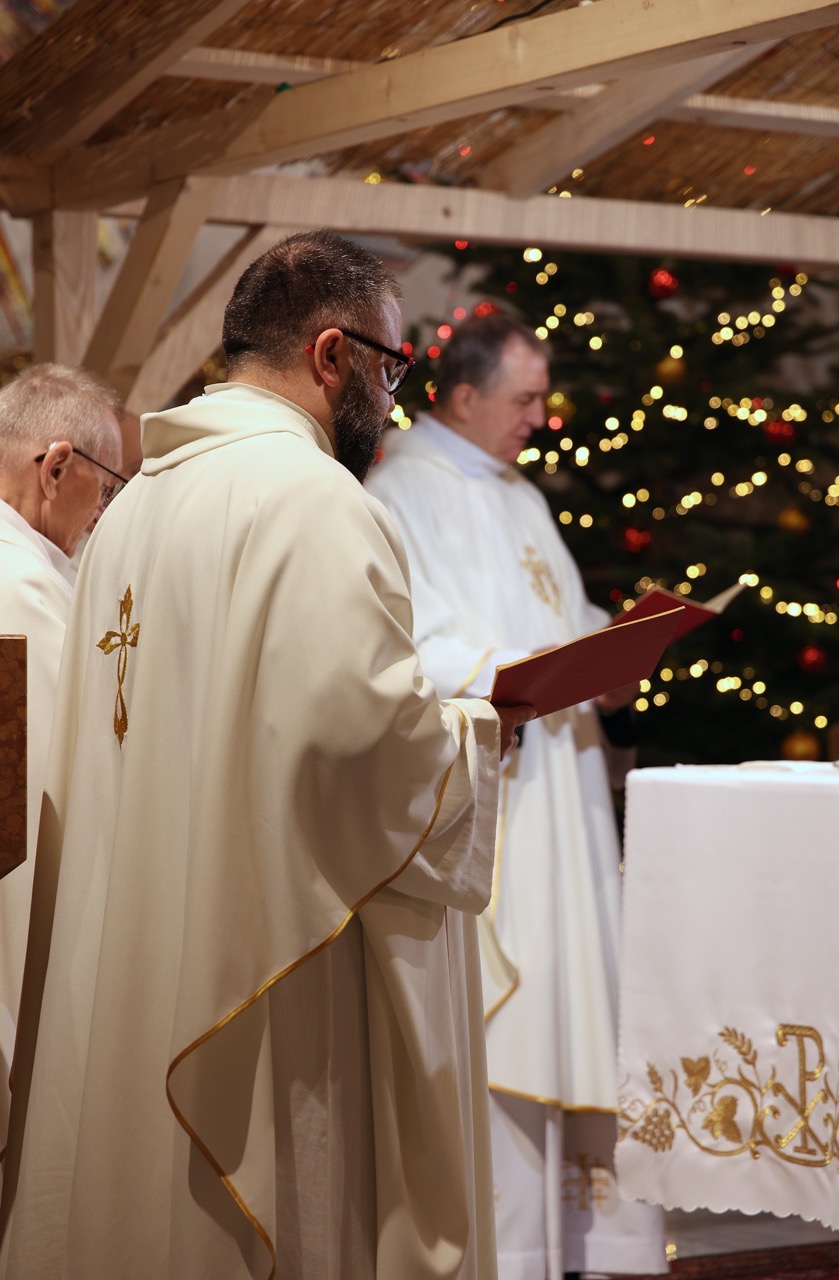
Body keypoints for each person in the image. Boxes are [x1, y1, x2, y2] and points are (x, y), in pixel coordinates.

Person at [0, 232, 534, 1280]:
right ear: (331, 354)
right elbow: (360, 744)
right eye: (390, 366)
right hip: (263, 967)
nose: (392, 399)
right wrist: (479, 732)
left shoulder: (134, 505)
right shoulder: (313, 500)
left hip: (144, 951)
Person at [366, 314, 667, 1279]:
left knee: (574, 1000)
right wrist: (522, 668)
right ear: (461, 397)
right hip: (501, 791)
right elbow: (406, 647)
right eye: (523, 399)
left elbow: (562, 616)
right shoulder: (401, 493)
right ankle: (514, 1249)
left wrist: (611, 658)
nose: (539, 418)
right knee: (516, 1015)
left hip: (563, 792)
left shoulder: (521, 494)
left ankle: (586, 1242)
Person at [0, 362, 123, 1159]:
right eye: (106, 486)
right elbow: (54, 797)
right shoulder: (21, 591)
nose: (105, 511)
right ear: (55, 467)